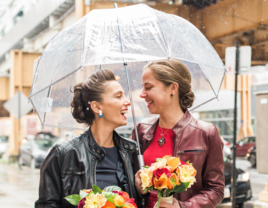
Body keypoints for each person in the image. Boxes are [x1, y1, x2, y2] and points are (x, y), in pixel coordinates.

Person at [35, 69, 140, 208]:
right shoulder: (64, 154)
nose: (127, 102)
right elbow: (46, 205)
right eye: (118, 96)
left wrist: (142, 193)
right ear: (97, 107)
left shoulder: (131, 150)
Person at [132, 59, 225, 208]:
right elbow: (128, 180)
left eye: (148, 87)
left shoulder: (206, 133)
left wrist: (182, 206)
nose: (142, 94)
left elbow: (216, 190)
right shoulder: (141, 130)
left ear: (173, 88)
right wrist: (136, 185)